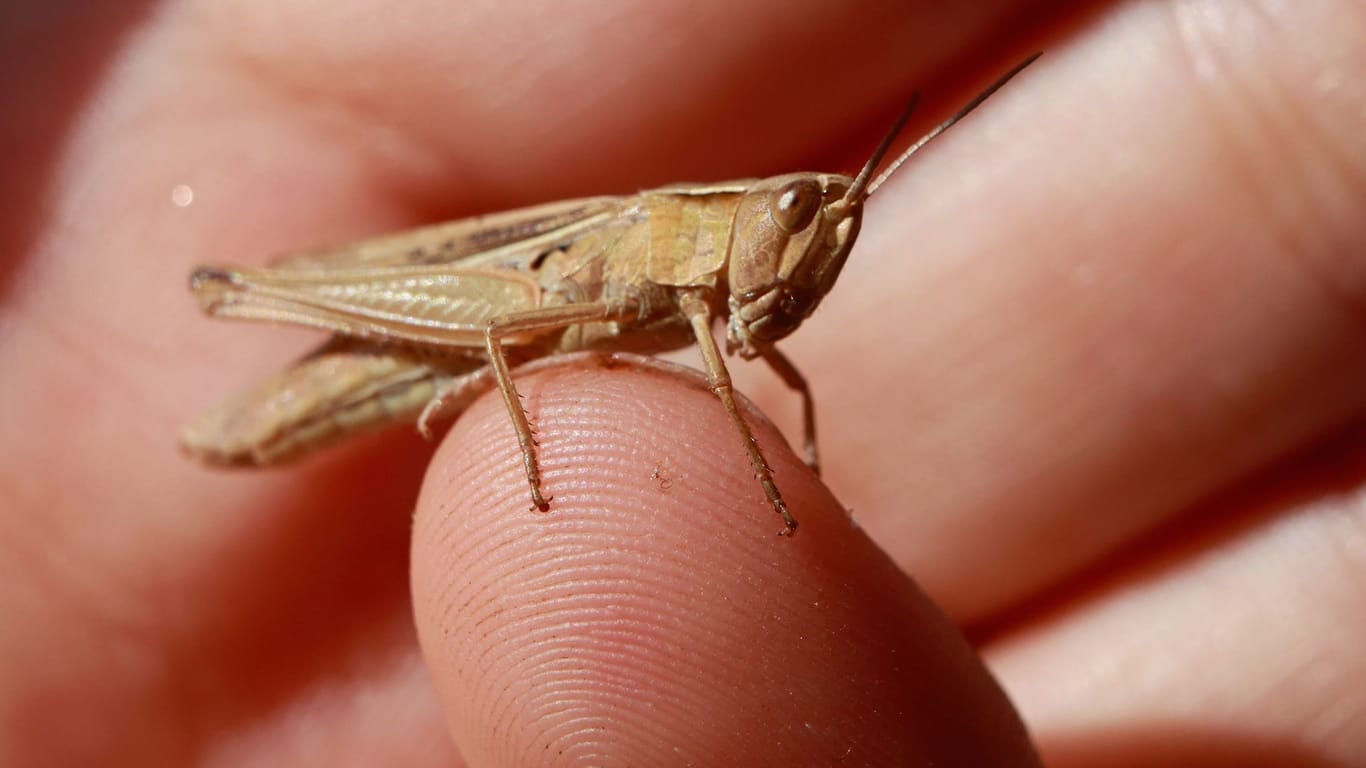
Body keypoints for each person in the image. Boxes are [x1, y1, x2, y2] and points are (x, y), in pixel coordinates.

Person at [2, 2, 1363, 765]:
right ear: (732, 210)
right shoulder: (665, 248)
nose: (814, 242)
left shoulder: (728, 292)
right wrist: (706, 458)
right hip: (449, 305)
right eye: (799, 214)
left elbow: (763, 358)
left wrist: (797, 435)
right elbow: (537, 322)